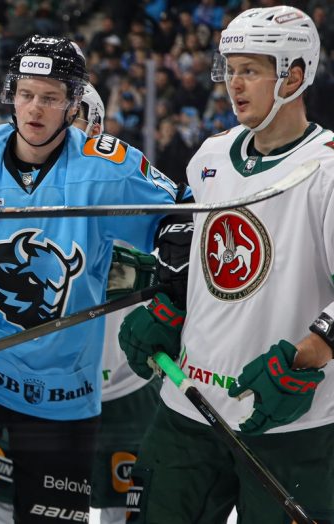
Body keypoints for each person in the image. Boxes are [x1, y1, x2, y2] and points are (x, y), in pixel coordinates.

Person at [0, 35, 182, 523]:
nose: (34, 108)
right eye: (26, 94)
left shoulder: (106, 169)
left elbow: (180, 214)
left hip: (61, 390)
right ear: (11, 95)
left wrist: (175, 269)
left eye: (50, 97)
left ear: (73, 104)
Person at [120, 6, 334, 522]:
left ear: (294, 77)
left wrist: (311, 353)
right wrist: (169, 306)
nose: (233, 84)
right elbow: (198, 259)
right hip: (186, 405)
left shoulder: (327, 171)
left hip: (287, 421)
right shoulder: (211, 156)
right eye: (230, 69)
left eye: (250, 71)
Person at [0, 82, 167, 524]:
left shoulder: (119, 184)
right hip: (37, 386)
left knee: (128, 510)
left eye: (75, 120)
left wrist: (147, 272)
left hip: (124, 389)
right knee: (7, 503)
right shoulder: (15, 192)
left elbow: (171, 247)